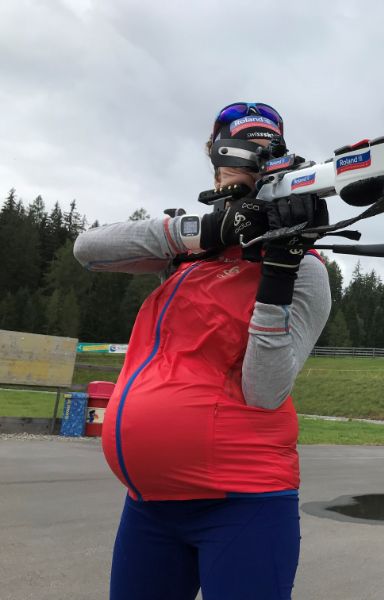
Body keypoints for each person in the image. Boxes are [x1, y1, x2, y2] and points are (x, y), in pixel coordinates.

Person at [73, 102, 331, 600]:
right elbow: (88, 249)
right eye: (236, 153)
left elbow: (264, 390)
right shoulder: (187, 251)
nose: (244, 168)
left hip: (243, 501)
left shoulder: (308, 270)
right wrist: (201, 231)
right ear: (213, 162)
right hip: (149, 504)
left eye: (262, 155)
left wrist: (277, 272)